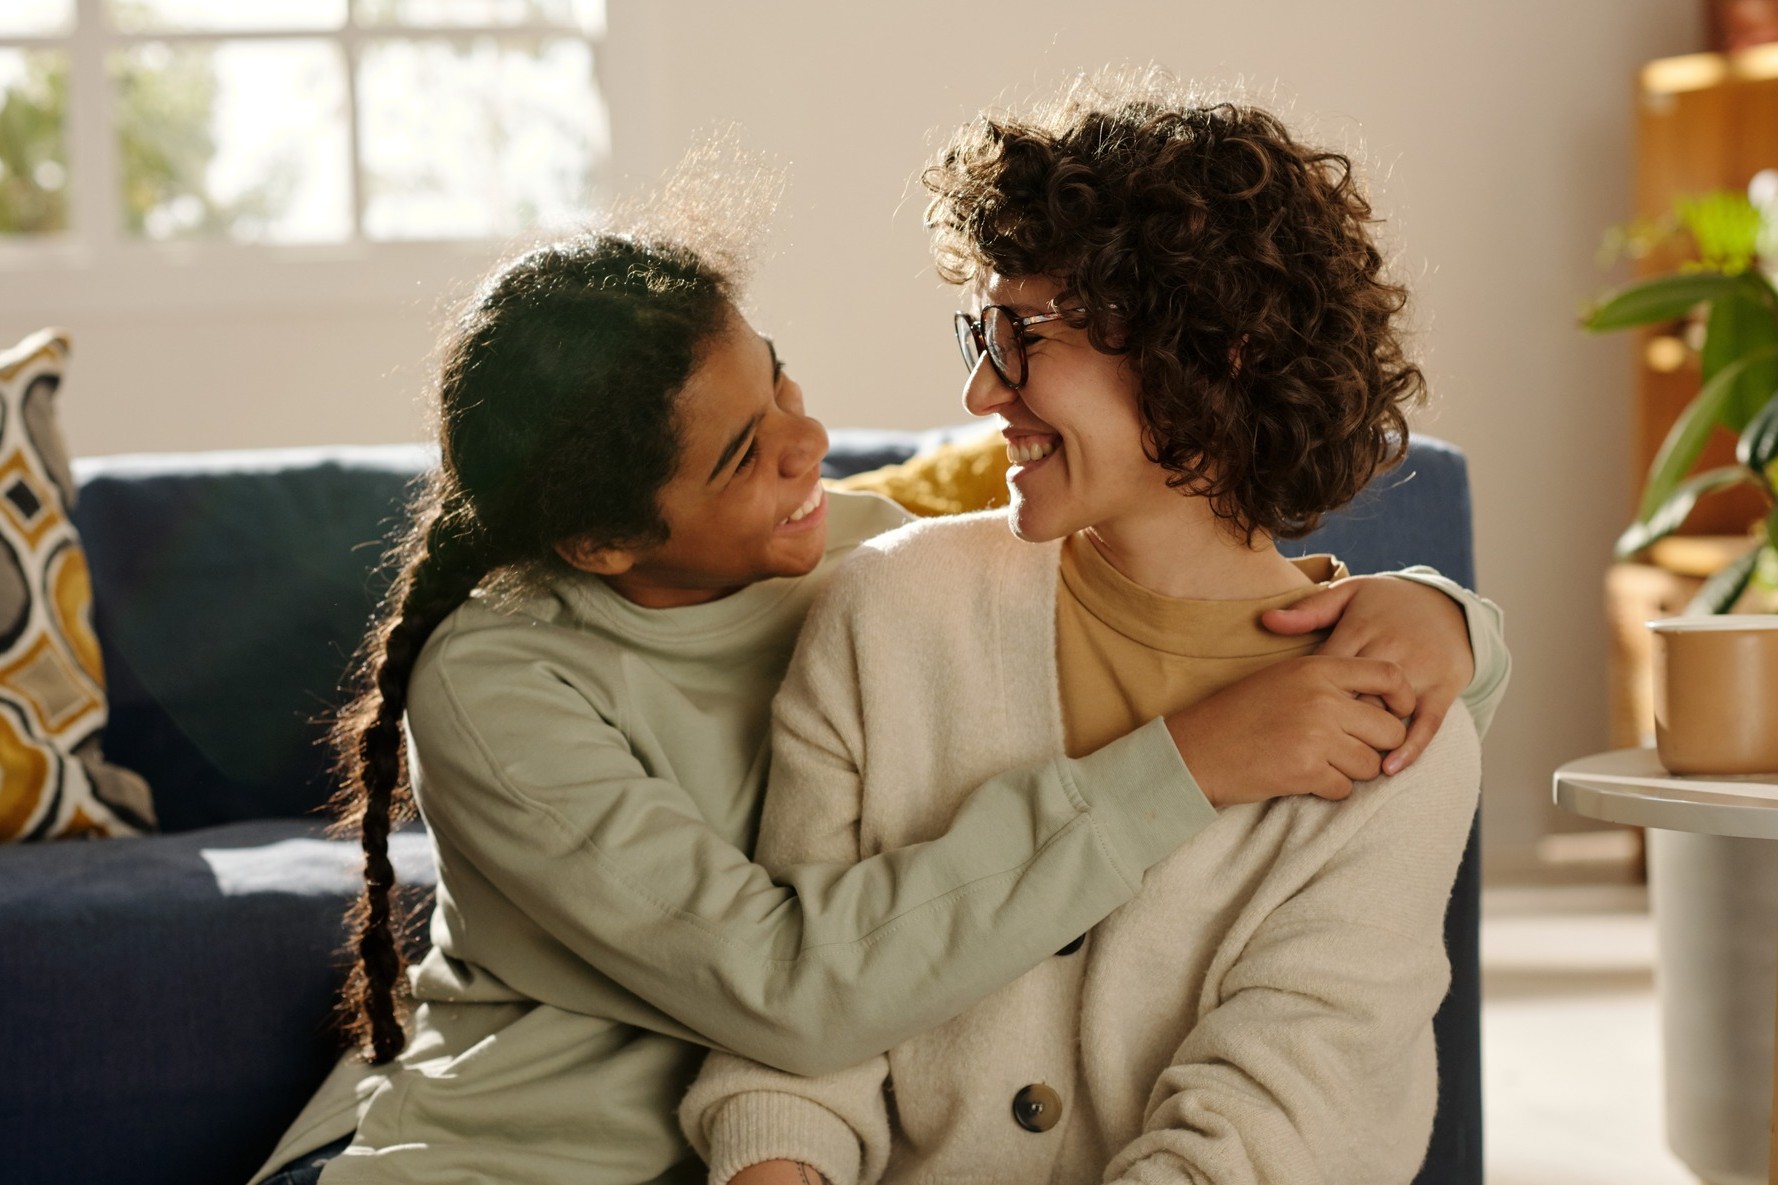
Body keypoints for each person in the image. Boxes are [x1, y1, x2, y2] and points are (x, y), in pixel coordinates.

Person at [250, 221, 1502, 1183]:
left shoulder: (861, 559)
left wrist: (1449, 621)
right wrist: (1184, 765)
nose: (811, 443)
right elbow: (792, 985)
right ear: (601, 543)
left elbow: (1139, 594)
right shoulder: (496, 685)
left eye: (780, 382)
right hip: (512, 1160)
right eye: (743, 455)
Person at [680, 81, 1504, 1185]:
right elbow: (790, 1039)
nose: (980, 390)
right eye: (983, 331)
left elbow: (1267, 1140)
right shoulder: (890, 610)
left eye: (1025, 335)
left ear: (1219, 350)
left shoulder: (1397, 737)